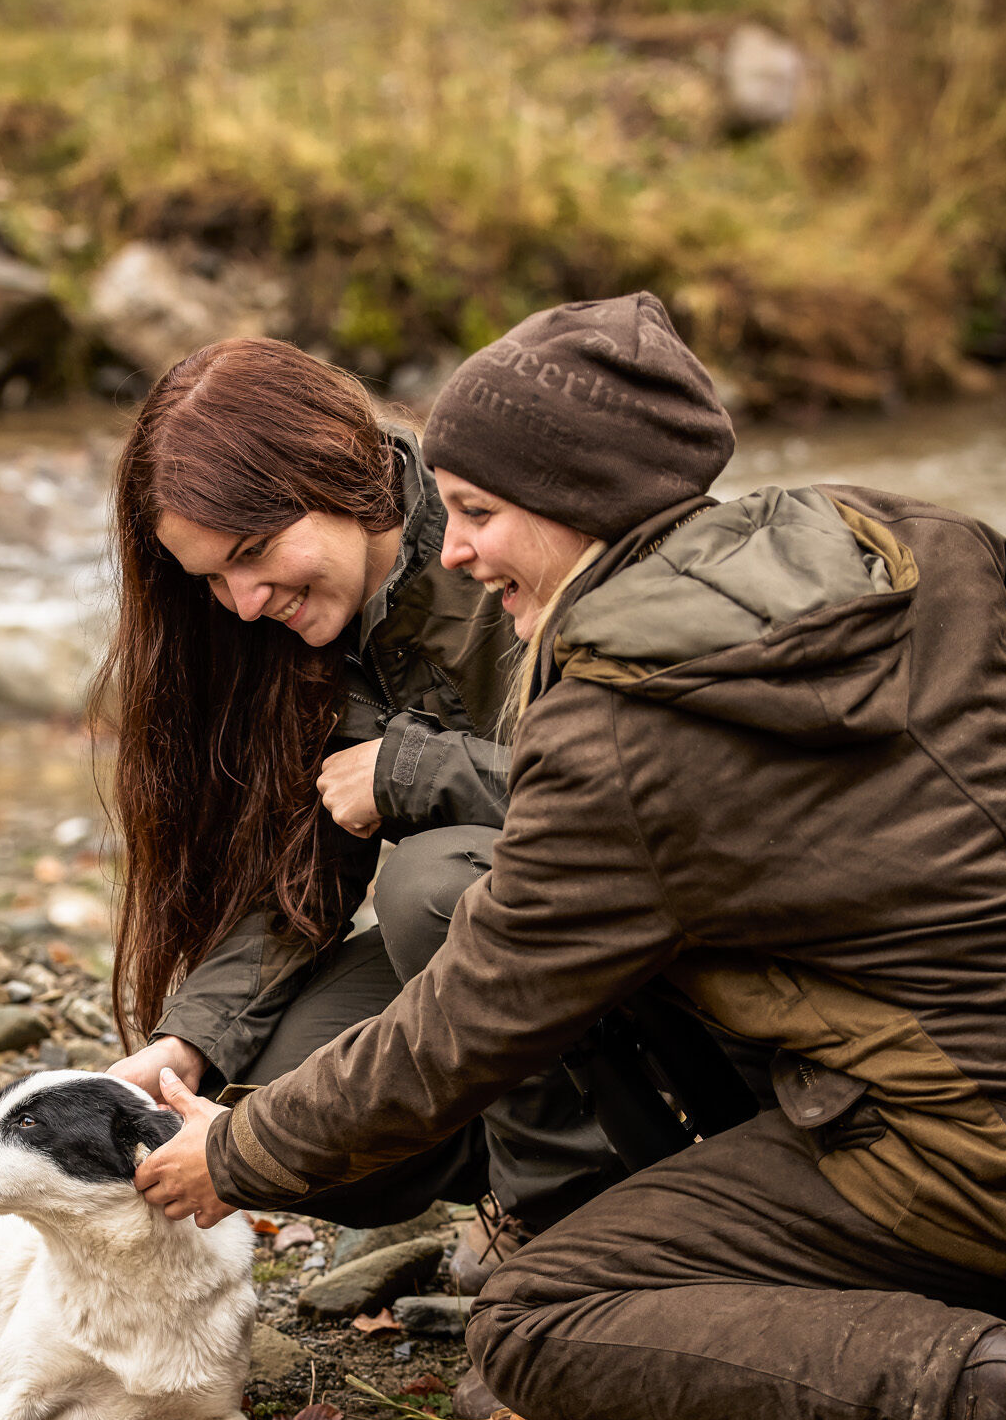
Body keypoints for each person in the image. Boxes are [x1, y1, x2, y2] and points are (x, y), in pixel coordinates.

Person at [133, 292, 1006, 1420]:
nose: (458, 551)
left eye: (476, 515)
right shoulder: (900, 528)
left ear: (576, 498)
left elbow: (468, 1019)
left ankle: (978, 1394)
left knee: (536, 1322)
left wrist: (240, 1157)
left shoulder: (605, 730)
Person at [96, 334, 618, 1235]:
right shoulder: (295, 634)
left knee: (434, 890)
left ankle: (575, 1232)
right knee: (270, 1091)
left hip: (649, 926)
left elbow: (652, 791)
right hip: (552, 961)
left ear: (336, 471)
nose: (245, 601)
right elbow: (300, 876)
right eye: (212, 578)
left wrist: (414, 772)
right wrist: (189, 1039)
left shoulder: (511, 539)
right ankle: (578, 1165)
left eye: (255, 551)